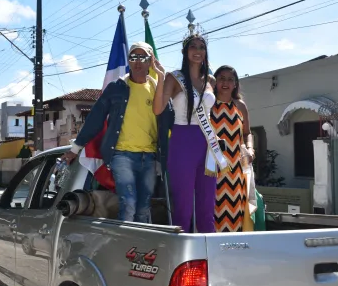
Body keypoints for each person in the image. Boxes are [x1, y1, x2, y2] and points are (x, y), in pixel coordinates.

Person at [63, 42, 172, 223]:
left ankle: (140, 248)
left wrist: (162, 78)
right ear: (129, 60)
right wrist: (75, 148)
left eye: (143, 57)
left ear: (151, 61)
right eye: (133, 57)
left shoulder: (156, 89)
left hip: (150, 157)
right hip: (122, 155)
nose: (138, 62)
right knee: (128, 202)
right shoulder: (117, 87)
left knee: (144, 207)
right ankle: (124, 247)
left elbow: (169, 119)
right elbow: (95, 118)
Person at [152, 29, 228, 233]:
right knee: (183, 209)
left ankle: (209, 257)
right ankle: (182, 257)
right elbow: (158, 109)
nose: (198, 51)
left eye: (202, 47)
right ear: (185, 51)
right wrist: (160, 78)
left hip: (206, 143)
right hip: (182, 141)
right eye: (193, 46)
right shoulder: (174, 78)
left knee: (207, 208)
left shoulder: (210, 81)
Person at [211, 65, 255, 232]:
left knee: (235, 215)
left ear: (235, 84)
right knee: (211, 213)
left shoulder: (240, 106)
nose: (226, 82)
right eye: (222, 78)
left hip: (235, 172)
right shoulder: (207, 104)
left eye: (230, 79)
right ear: (215, 81)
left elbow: (247, 134)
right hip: (211, 170)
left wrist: (250, 149)